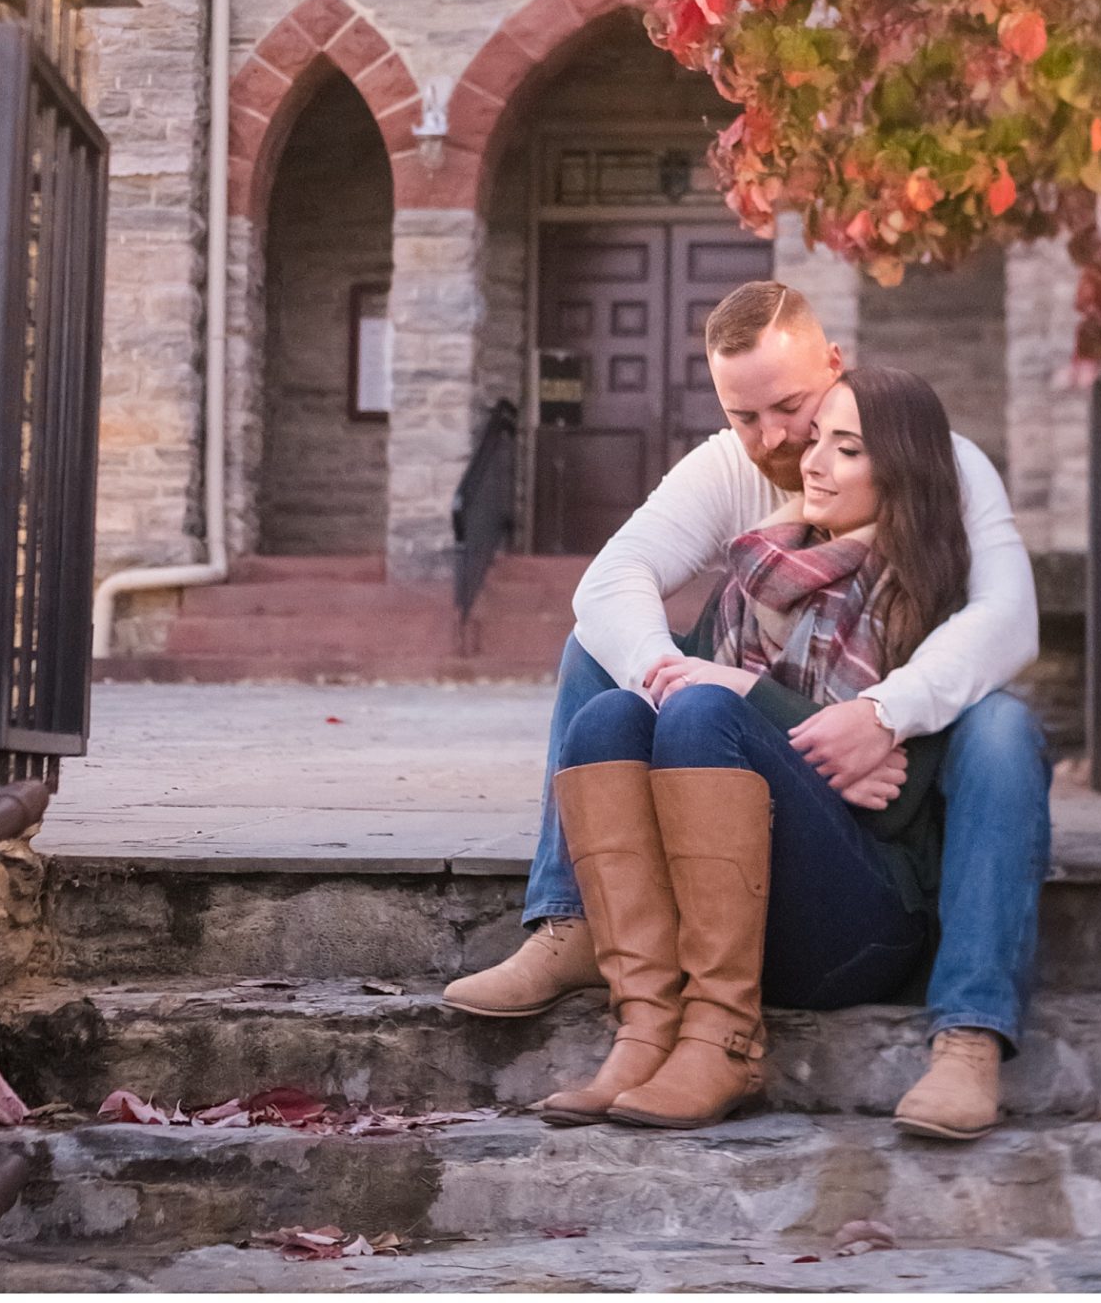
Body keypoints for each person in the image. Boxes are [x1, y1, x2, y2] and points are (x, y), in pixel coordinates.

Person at [443, 283, 1050, 1137]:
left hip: (868, 848)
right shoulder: (736, 492)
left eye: (795, 412)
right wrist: (671, 673)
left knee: (1001, 725)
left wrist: (881, 713)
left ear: (834, 366)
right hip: (755, 806)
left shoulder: (936, 475)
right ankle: (580, 923)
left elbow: (1008, 620)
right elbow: (611, 582)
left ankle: (968, 1034)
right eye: (744, 417)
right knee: (608, 663)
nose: (778, 444)